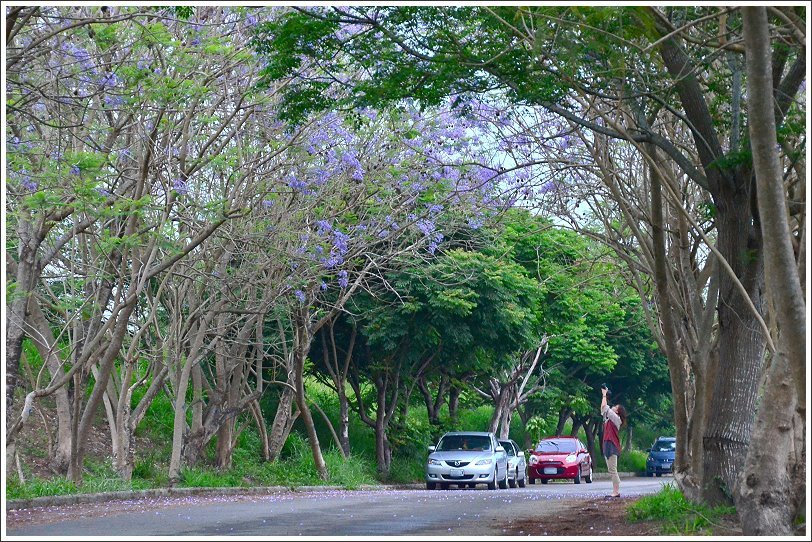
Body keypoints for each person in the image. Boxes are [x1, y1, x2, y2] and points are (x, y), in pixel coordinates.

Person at [601, 385, 627, 497]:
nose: (613, 407)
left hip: (612, 445)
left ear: (618, 412)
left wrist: (604, 394)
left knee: (612, 470)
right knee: (611, 469)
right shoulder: (609, 418)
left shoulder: (617, 419)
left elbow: (604, 407)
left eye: (615, 407)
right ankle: (615, 491)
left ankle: (616, 492)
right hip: (608, 443)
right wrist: (604, 395)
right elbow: (603, 409)